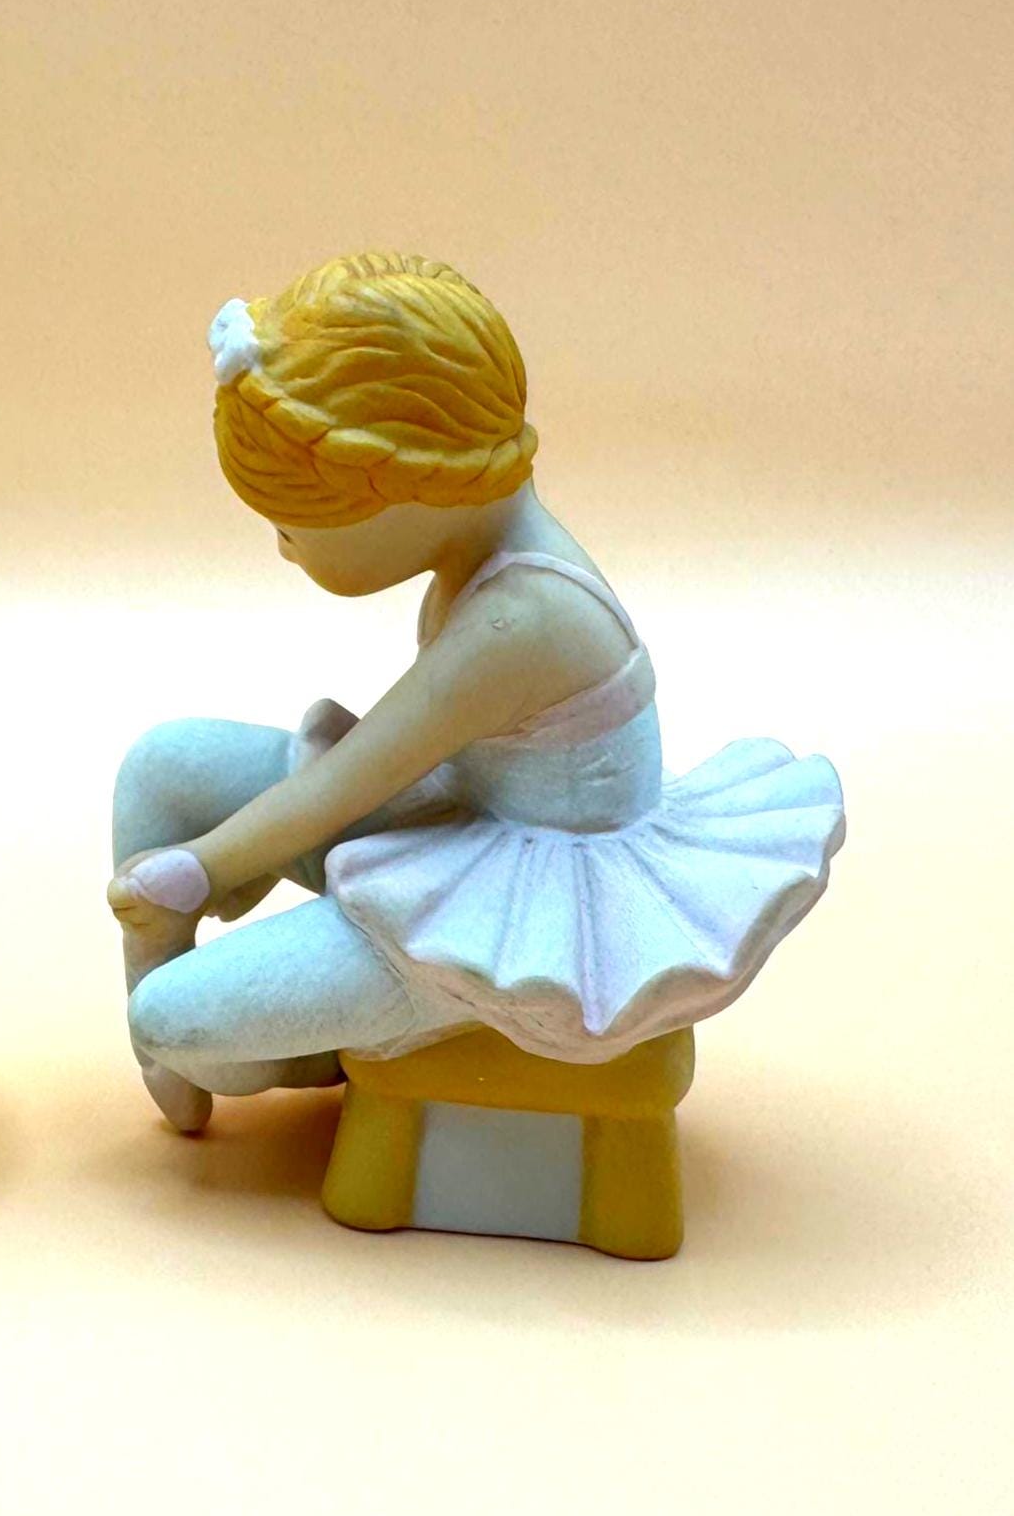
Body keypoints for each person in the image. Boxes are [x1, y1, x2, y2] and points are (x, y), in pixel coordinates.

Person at [108, 253, 844, 1133]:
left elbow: (347, 783)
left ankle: (350, 1035)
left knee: (171, 1019)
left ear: (402, 488)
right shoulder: (480, 550)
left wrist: (204, 868)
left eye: (296, 524)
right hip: (464, 806)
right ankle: (177, 970)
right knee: (163, 766)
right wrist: (187, 880)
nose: (283, 546)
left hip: (522, 901)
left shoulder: (520, 621)